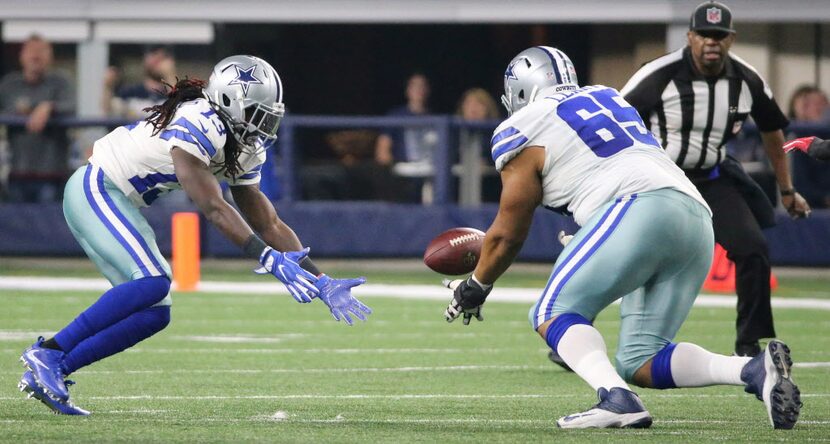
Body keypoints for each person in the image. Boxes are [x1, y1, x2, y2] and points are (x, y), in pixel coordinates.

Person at [442, 45, 801, 429]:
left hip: (635, 208)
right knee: (640, 358)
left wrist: (477, 284)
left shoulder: (524, 124)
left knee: (551, 311)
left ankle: (616, 400)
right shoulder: (608, 96)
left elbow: (508, 232)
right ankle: (753, 371)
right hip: (694, 216)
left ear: (521, 91)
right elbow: (604, 165)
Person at [17, 55, 372, 415]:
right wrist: (267, 259)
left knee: (156, 312)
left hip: (120, 199)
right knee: (154, 283)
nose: (265, 123)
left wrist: (320, 278)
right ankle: (49, 351)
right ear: (230, 104)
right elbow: (212, 206)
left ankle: (56, 368)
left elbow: (268, 223)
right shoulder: (201, 120)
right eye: (257, 112)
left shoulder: (244, 141)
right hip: (96, 188)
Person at [619, 1, 810, 358]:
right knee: (623, 251)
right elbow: (615, 119)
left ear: (731, 39)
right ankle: (577, 320)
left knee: (753, 250)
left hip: (712, 178)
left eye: (719, 35)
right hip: (661, 180)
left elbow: (772, 130)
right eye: (704, 34)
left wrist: (787, 190)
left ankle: (748, 343)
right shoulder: (660, 73)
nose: (712, 42)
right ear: (690, 36)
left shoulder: (746, 78)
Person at [0, 34, 75, 202]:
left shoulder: (61, 82)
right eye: (31, 51)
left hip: (52, 175)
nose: (36, 56)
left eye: (41, 51)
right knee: (15, 226)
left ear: (50, 56)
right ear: (21, 55)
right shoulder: (9, 84)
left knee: (51, 225)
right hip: (17, 173)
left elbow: (71, 107)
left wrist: (50, 107)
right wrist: (21, 112)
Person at [374, 73, 438, 202]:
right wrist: (391, 172)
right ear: (407, 90)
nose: (419, 90)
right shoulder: (396, 116)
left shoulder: (434, 119)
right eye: (414, 86)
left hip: (429, 173)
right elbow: (382, 150)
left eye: (422, 86)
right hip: (403, 174)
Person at [786, 86, 830, 208]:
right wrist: (825, 198)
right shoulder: (795, 140)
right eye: (806, 105)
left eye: (822, 102)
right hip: (809, 211)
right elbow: (799, 187)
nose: (817, 108)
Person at [102, 46, 177, 118]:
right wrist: (108, 86)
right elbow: (108, 111)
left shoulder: (170, 94)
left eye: (163, 57)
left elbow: (180, 107)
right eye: (154, 54)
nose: (158, 60)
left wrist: (170, 75)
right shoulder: (130, 92)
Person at [456, 88, 501, 204]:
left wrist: (487, 162)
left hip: (491, 192)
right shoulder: (455, 133)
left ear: (488, 108)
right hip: (458, 192)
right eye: (469, 103)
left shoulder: (498, 133)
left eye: (479, 104)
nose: (473, 108)